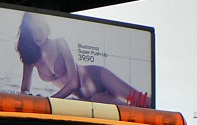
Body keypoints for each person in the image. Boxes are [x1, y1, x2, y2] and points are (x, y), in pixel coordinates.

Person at [16, 13, 151, 107]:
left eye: (40, 29)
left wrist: (50, 101)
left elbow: (74, 83)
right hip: (90, 97)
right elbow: (24, 89)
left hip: (98, 76)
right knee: (129, 110)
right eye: (33, 31)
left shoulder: (59, 43)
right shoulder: (30, 59)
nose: (38, 34)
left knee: (143, 102)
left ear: (46, 28)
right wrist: (32, 97)